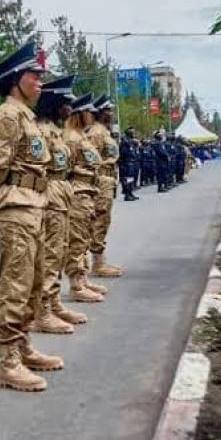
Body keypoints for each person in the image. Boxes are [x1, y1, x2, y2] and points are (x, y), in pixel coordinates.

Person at [0, 40, 63, 393]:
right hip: (15, 205)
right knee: (16, 281)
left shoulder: (26, 117)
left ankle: (23, 344)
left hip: (35, 202)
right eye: (34, 75)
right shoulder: (6, 117)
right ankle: (8, 360)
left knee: (34, 280)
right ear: (15, 79)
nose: (40, 83)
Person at [33, 75, 88, 333]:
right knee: (49, 254)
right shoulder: (41, 131)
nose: (70, 108)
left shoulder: (56, 132)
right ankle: (41, 310)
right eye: (65, 103)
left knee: (60, 250)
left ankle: (54, 302)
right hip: (49, 195)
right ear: (53, 103)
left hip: (62, 193)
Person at [64, 93, 107, 303]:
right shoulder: (70, 138)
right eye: (89, 112)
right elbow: (64, 170)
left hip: (88, 193)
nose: (93, 115)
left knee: (84, 237)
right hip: (77, 194)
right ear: (80, 114)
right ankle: (76, 284)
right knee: (77, 239)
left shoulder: (81, 137)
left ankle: (84, 277)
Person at [87, 94, 124, 278]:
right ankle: (96, 263)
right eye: (108, 110)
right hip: (100, 179)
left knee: (104, 220)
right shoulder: (96, 133)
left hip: (108, 179)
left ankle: (99, 260)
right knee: (99, 220)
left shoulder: (105, 131)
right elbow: (90, 160)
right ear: (100, 112)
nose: (111, 113)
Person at [119, 128, 140, 201]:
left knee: (131, 179)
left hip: (131, 163)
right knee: (127, 179)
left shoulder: (130, 142)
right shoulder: (124, 142)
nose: (133, 134)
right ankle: (127, 195)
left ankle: (130, 193)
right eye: (132, 132)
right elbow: (124, 153)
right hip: (126, 163)